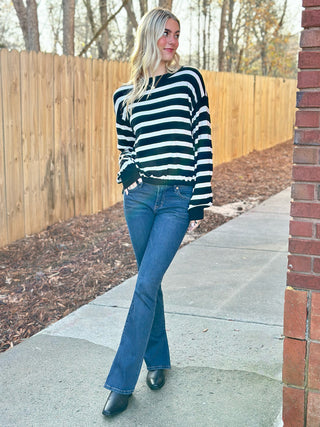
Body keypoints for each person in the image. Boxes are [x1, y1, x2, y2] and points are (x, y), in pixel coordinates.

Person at [102, 7, 213, 417]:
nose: (173, 41)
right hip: (141, 199)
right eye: (166, 33)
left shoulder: (189, 79)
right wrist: (127, 170)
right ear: (150, 35)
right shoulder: (123, 95)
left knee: (146, 282)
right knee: (151, 281)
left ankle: (120, 383)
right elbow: (125, 146)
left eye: (177, 34)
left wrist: (201, 193)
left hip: (177, 198)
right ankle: (159, 360)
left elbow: (202, 137)